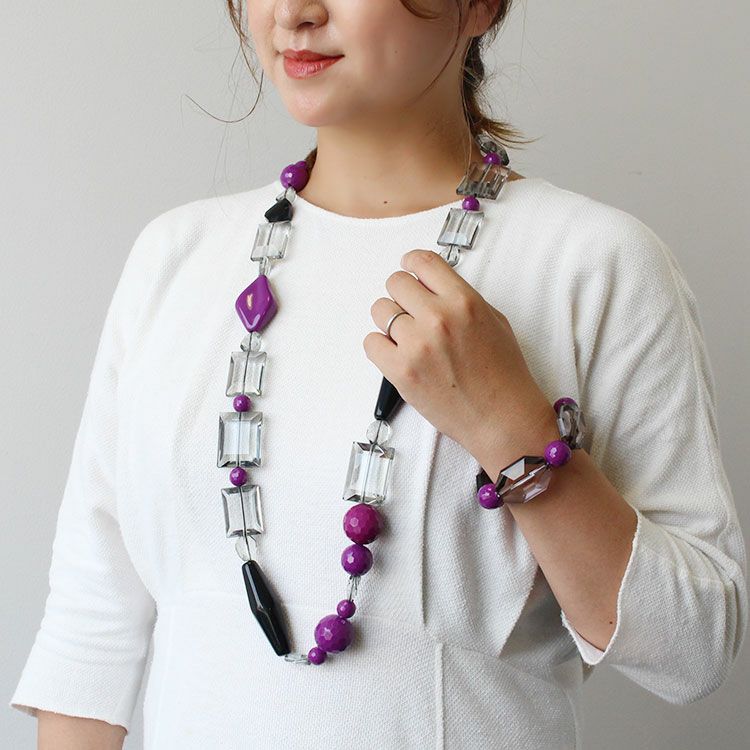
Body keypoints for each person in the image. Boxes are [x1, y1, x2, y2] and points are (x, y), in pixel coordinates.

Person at [10, 1, 748, 748]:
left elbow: (693, 653)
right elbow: (92, 630)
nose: (295, 13)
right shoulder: (175, 257)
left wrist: (510, 429)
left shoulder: (592, 261)